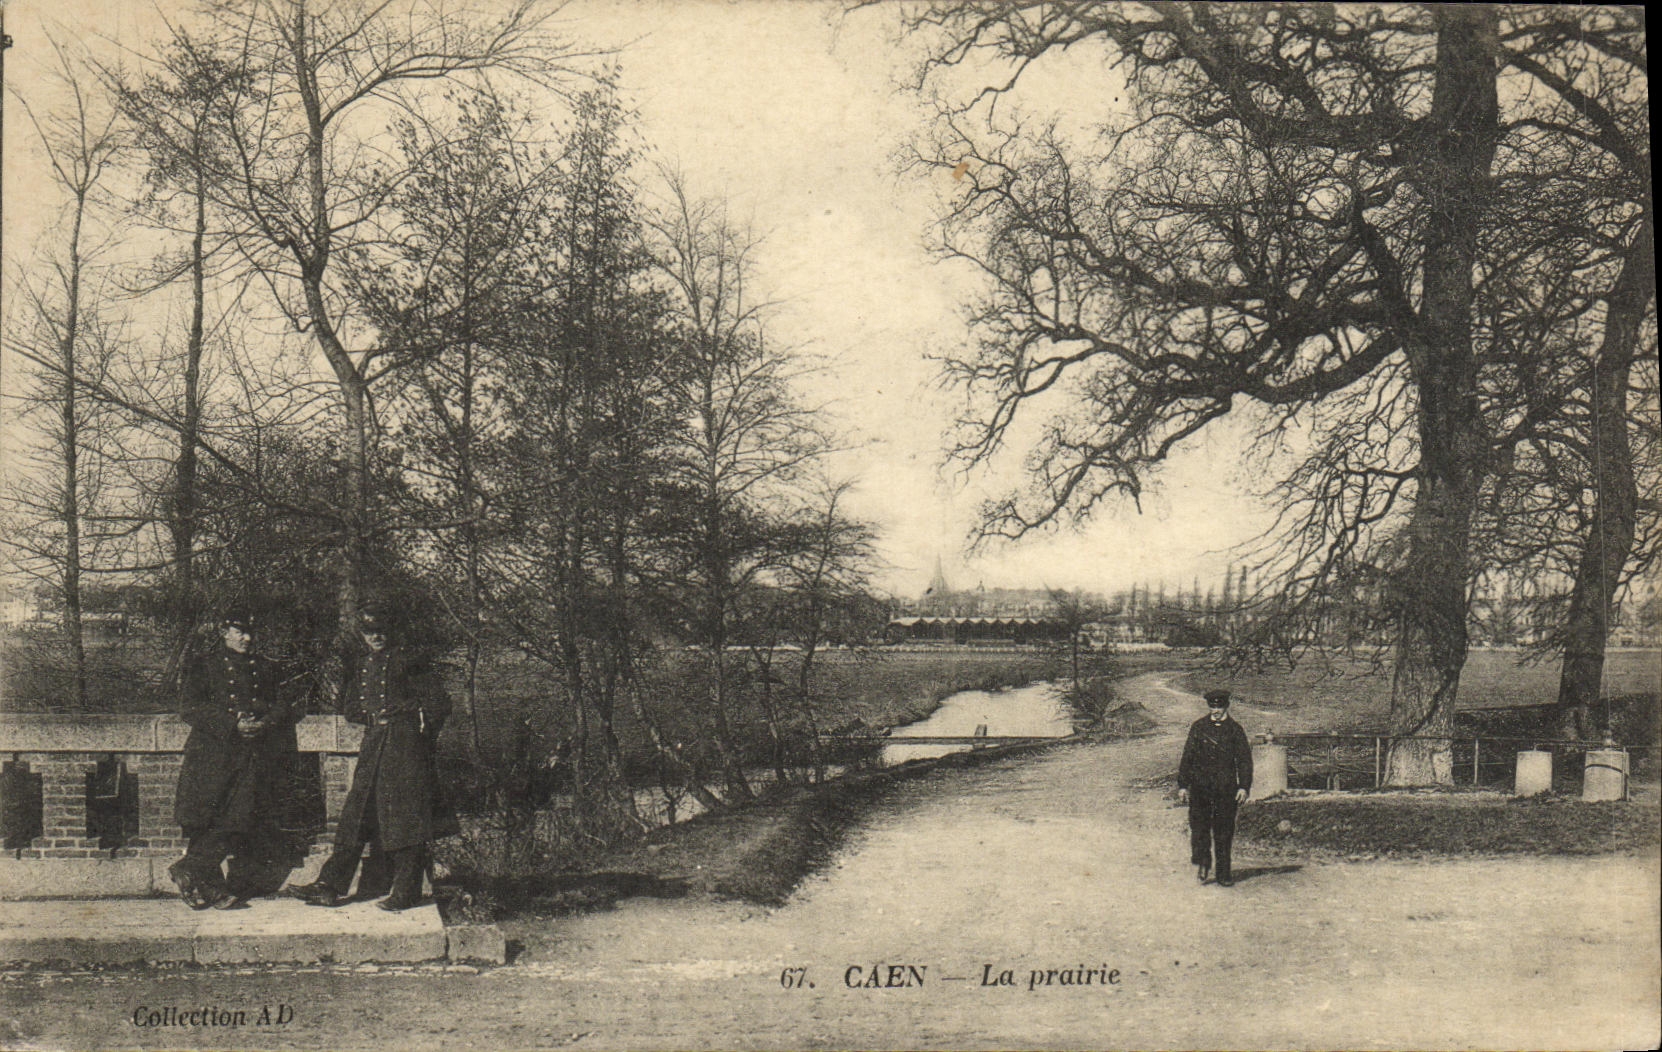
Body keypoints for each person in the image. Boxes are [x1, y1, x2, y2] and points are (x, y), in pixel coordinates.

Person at [289, 605, 452, 911]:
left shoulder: (409, 661)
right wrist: (369, 715)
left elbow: (439, 704)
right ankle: (329, 886)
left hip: (404, 750)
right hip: (374, 747)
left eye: (381, 631)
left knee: (405, 819)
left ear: (391, 631)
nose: (375, 637)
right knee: (355, 816)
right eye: (368, 632)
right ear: (362, 634)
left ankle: (406, 891)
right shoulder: (363, 665)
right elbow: (351, 708)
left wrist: (406, 713)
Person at [170, 608, 295, 910]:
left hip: (249, 756)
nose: (247, 638)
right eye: (239, 631)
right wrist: (231, 723)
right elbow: (190, 709)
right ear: (224, 631)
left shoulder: (265, 667)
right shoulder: (203, 665)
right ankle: (213, 890)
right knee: (206, 821)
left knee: (236, 818)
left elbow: (284, 705)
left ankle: (188, 869)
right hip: (211, 756)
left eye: (250, 632)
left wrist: (264, 722)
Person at [1177, 688, 1253, 887]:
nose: (1215, 710)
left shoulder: (1236, 730)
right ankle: (1203, 861)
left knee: (1223, 831)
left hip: (1225, 789)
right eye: (1212, 706)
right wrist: (1183, 785)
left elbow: (1244, 761)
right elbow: (1188, 757)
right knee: (1199, 828)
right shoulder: (1198, 727)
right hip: (1200, 788)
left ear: (1226, 706)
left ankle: (1223, 873)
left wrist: (1244, 787)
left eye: (1219, 706)